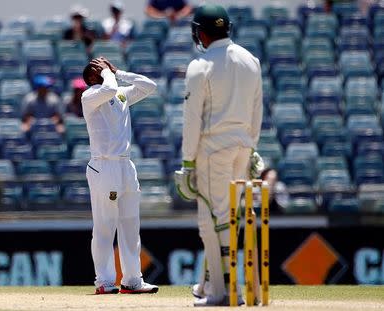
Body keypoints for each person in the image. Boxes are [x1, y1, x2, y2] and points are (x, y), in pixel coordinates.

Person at [176, 4, 263, 306]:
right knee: (229, 219)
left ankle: (222, 293)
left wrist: (188, 162)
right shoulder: (251, 61)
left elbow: (192, 120)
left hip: (214, 150)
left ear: (200, 31)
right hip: (242, 147)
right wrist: (252, 148)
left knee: (211, 222)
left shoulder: (200, 66)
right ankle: (207, 284)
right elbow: (257, 112)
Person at [81, 57, 158, 295]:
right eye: (100, 68)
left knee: (130, 225)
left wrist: (119, 71)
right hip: (104, 166)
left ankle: (133, 280)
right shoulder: (90, 96)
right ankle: (104, 281)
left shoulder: (120, 94)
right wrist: (107, 74)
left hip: (126, 165)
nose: (105, 69)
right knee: (105, 226)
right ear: (93, 76)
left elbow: (149, 86)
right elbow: (110, 88)